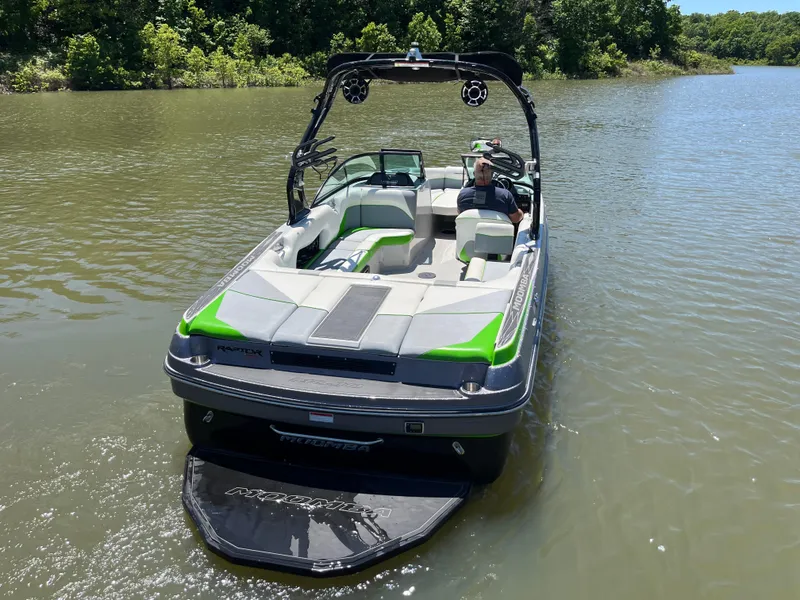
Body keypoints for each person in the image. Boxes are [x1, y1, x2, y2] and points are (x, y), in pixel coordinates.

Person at [457, 157, 524, 224]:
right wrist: (522, 213)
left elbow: (460, 214)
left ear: (474, 174)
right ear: (492, 174)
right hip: (498, 230)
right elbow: (516, 219)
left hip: (470, 231)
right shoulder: (505, 195)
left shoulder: (463, 195)